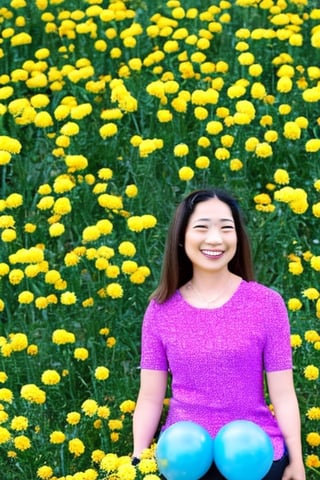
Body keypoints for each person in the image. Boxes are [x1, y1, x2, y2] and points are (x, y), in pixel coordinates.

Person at [132, 187, 306, 480]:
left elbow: (284, 394)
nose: (215, 239)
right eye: (202, 228)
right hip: (182, 453)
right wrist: (137, 459)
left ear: (237, 237)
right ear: (181, 237)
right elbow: (150, 397)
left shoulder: (267, 304)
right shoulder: (160, 310)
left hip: (254, 451)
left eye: (226, 229)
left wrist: (297, 462)